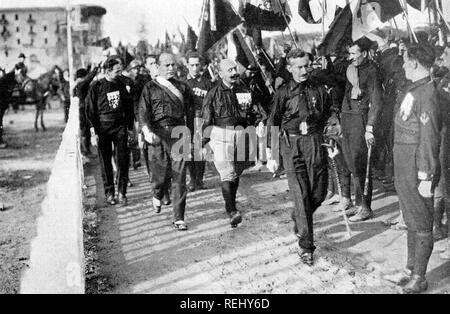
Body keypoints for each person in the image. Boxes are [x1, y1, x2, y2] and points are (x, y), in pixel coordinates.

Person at [266, 49, 334, 266]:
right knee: (301, 194)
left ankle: (299, 217)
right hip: (291, 144)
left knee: (319, 192)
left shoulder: (319, 89)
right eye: (299, 67)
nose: (304, 70)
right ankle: (306, 246)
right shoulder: (283, 92)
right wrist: (272, 152)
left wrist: (330, 136)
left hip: (314, 142)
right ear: (289, 68)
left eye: (307, 66)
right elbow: (273, 122)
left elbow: (326, 115)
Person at [392, 44, 441, 294]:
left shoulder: (428, 94)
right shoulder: (415, 89)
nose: (402, 64)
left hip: (417, 166)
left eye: (404, 60)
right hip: (404, 162)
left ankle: (420, 278)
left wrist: (426, 175)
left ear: (413, 63)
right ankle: (411, 270)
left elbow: (429, 138)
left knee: (421, 221)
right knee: (410, 218)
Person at [202, 59, 262, 228]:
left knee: (236, 172)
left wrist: (256, 120)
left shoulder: (244, 90)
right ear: (220, 74)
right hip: (221, 135)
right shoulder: (213, 94)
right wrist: (203, 143)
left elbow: (255, 110)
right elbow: (206, 119)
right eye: (229, 70)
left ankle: (231, 203)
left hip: (242, 134)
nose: (234, 72)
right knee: (227, 173)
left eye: (235, 69)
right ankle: (231, 210)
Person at [139, 53, 194, 231]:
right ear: (158, 66)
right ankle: (157, 193)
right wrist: (146, 130)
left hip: (179, 132)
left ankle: (179, 217)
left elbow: (190, 114)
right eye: (167, 65)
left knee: (179, 176)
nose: (171, 68)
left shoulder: (183, 88)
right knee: (159, 174)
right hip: (158, 133)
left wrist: (191, 138)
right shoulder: (149, 87)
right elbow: (143, 112)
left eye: (173, 65)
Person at [340, 38, 383, 222]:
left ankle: (366, 207)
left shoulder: (372, 71)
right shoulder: (351, 69)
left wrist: (370, 127)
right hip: (348, 118)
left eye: (354, 53)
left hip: (361, 119)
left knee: (361, 163)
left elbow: (377, 101)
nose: (351, 57)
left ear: (364, 53)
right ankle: (358, 204)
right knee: (351, 162)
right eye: (350, 54)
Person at [86, 56, 134, 206]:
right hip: (103, 128)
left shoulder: (122, 83)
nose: (120, 74)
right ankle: (110, 193)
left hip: (120, 127)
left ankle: (122, 192)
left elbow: (129, 107)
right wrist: (93, 133)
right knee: (105, 162)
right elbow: (90, 111)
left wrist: (130, 128)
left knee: (123, 160)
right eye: (117, 71)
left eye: (121, 71)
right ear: (107, 71)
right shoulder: (97, 86)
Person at [184, 51, 213, 191]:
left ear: (201, 65)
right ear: (187, 65)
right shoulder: (183, 83)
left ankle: (200, 179)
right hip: (188, 120)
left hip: (203, 119)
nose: (195, 68)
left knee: (201, 149)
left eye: (197, 65)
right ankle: (192, 179)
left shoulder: (207, 83)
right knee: (190, 149)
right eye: (192, 65)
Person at [74, 66, 100, 157]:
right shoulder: (81, 84)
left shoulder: (78, 84)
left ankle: (86, 149)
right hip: (83, 109)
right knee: (85, 130)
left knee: (86, 130)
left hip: (84, 108)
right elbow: (88, 79)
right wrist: (95, 70)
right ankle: (86, 151)